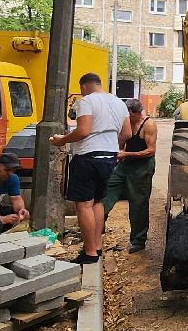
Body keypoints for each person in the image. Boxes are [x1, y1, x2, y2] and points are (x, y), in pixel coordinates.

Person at [51, 73, 130, 263]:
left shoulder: (86, 101)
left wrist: (61, 140)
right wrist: (112, 146)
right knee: (98, 202)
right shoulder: (119, 102)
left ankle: (89, 252)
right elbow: (127, 133)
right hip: (109, 157)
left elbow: (83, 130)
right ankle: (97, 246)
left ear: (84, 86)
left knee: (84, 204)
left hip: (87, 157)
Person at [102, 98, 158, 253]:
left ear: (134, 112)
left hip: (142, 167)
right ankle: (97, 226)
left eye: (127, 114)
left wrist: (126, 153)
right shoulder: (127, 123)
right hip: (124, 165)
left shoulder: (149, 125)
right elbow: (121, 142)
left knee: (138, 204)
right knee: (106, 191)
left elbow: (150, 151)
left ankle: (138, 241)